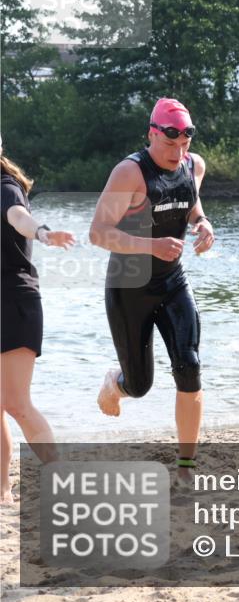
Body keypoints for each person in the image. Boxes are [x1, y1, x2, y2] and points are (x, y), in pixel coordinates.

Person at [89, 98, 214, 481]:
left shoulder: (194, 165)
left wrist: (203, 222)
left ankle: (186, 466)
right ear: (152, 134)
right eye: (169, 144)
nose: (178, 154)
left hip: (172, 281)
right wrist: (150, 245)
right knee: (140, 386)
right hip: (130, 287)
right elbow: (97, 233)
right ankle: (116, 383)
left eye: (184, 145)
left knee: (189, 365)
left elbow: (191, 204)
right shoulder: (130, 173)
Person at [1, 136, 76, 504]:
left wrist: (44, 233)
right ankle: (3, 490)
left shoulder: (6, 188)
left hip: (14, 303)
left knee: (17, 403)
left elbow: (19, 219)